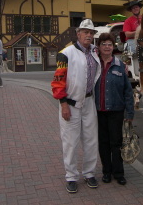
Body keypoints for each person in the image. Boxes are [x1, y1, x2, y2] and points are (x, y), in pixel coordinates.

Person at [51, 19, 101, 194]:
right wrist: (63, 104)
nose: (89, 35)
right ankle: (71, 176)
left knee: (91, 139)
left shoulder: (95, 52)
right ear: (78, 34)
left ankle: (89, 173)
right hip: (70, 103)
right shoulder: (66, 54)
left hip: (89, 102)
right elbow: (58, 82)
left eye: (91, 33)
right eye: (85, 32)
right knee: (70, 142)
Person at [94, 33, 134, 186]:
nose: (107, 47)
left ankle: (119, 172)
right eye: (104, 44)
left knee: (116, 143)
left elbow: (127, 91)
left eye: (109, 44)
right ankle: (106, 172)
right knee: (103, 143)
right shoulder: (94, 65)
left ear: (113, 47)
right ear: (99, 47)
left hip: (116, 110)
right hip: (98, 111)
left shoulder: (120, 65)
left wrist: (129, 112)